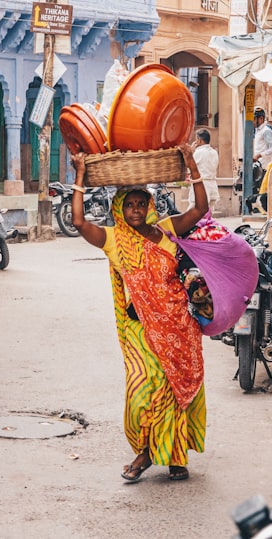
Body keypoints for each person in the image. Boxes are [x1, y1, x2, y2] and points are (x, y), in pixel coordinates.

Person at [70, 145, 208, 483]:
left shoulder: (166, 231)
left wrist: (190, 164)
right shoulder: (114, 240)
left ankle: (175, 457)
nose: (135, 210)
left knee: (176, 389)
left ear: (149, 206)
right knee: (143, 390)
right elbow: (77, 221)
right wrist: (80, 176)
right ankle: (146, 451)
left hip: (178, 325)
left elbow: (201, 208)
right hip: (139, 330)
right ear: (119, 208)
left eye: (140, 203)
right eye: (129, 204)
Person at [188, 128, 219, 213]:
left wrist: (191, 152)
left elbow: (189, 167)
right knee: (209, 214)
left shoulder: (199, 153)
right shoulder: (214, 152)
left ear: (200, 140)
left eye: (196, 139)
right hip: (212, 185)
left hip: (201, 186)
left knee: (192, 213)